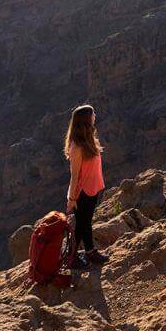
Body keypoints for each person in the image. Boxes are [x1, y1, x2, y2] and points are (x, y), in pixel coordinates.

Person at [64, 104, 107, 268]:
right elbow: (74, 175)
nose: (95, 115)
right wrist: (71, 199)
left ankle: (90, 252)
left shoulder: (89, 139)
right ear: (85, 120)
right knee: (81, 226)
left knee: (86, 223)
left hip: (92, 189)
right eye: (93, 114)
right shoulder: (76, 147)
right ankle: (71, 258)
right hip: (81, 193)